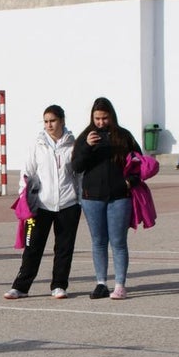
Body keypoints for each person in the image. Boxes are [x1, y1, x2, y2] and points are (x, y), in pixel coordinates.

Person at [4, 105, 80, 300]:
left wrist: (79, 198)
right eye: (46, 121)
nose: (49, 125)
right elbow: (27, 173)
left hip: (68, 205)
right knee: (33, 246)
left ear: (62, 121)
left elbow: (79, 175)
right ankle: (21, 287)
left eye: (52, 121)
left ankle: (59, 285)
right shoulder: (37, 145)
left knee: (64, 248)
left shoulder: (73, 145)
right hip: (40, 206)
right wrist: (24, 198)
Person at [72, 97, 142, 299]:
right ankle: (101, 283)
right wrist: (87, 146)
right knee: (99, 241)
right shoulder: (85, 136)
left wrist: (129, 182)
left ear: (111, 116)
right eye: (97, 118)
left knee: (118, 241)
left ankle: (120, 284)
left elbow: (140, 162)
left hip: (119, 197)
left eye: (104, 118)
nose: (101, 122)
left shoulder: (124, 136)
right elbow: (76, 166)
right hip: (92, 197)